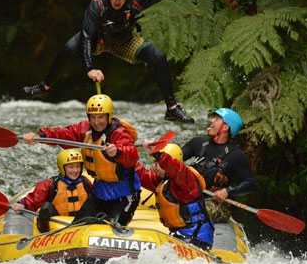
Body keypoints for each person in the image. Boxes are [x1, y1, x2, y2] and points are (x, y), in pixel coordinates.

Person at [23, 0, 216, 124]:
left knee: (158, 57)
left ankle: (172, 108)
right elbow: (87, 36)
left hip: (124, 40)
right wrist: (90, 68)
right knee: (68, 48)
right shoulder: (97, 5)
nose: (117, 1)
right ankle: (44, 87)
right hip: (98, 40)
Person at [22, 94, 141, 226]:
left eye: (101, 117)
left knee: (114, 228)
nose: (96, 122)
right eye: (93, 117)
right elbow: (64, 134)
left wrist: (118, 151)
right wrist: (40, 135)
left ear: (109, 116)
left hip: (124, 196)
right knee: (76, 228)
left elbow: (132, 155)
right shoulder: (86, 129)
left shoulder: (119, 133)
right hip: (100, 193)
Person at [137, 143, 215, 249]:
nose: (153, 167)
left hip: (197, 237)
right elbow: (142, 176)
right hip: (180, 235)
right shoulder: (163, 181)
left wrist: (159, 155)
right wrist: (122, 157)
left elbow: (176, 169)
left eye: (157, 163)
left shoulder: (186, 180)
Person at [182, 108, 256, 204]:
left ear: (225, 127)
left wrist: (227, 191)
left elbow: (251, 184)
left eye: (217, 118)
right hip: (189, 196)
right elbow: (177, 155)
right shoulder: (198, 142)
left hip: (212, 203)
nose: (211, 120)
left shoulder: (237, 155)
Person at [11, 149, 92, 233]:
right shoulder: (51, 184)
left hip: (81, 222)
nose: (75, 171)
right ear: (62, 168)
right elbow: (33, 200)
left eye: (78, 166)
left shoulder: (86, 182)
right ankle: (44, 234)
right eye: (71, 167)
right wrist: (22, 204)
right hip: (57, 223)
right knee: (46, 207)